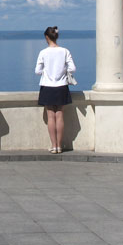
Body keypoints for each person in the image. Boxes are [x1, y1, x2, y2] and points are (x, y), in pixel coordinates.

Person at [35, 26, 76, 154]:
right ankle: (60, 146)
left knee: (50, 117)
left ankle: (54, 146)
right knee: (59, 116)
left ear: (47, 37)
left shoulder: (43, 52)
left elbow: (37, 71)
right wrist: (63, 70)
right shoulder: (65, 51)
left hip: (47, 86)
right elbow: (72, 68)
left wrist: (46, 71)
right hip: (61, 86)